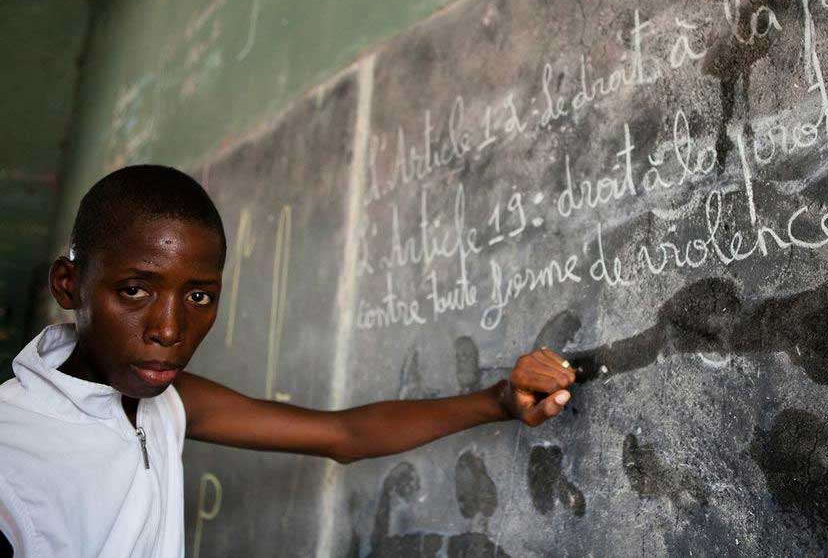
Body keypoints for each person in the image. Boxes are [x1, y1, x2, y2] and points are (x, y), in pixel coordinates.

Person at [0, 165, 577, 557]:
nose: (170, 330)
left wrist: (498, 400)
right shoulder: (13, 443)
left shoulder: (169, 403)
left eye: (199, 296)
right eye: (135, 290)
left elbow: (343, 434)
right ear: (69, 284)